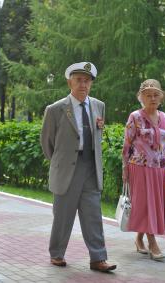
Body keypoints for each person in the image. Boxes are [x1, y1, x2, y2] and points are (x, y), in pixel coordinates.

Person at [40, 62, 116, 272]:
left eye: (87, 80)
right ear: (69, 82)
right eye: (79, 80)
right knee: (63, 214)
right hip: (67, 169)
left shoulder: (99, 105)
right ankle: (57, 254)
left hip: (91, 166)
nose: (83, 84)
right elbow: (47, 144)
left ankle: (98, 258)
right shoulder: (55, 109)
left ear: (91, 83)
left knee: (93, 213)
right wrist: (60, 162)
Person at [121, 79, 165, 261]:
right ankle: (153, 243)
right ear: (141, 97)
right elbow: (127, 144)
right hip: (139, 167)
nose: (152, 98)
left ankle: (139, 239)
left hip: (159, 168)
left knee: (151, 205)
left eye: (156, 95)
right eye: (148, 95)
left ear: (161, 98)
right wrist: (124, 168)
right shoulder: (135, 116)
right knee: (146, 204)